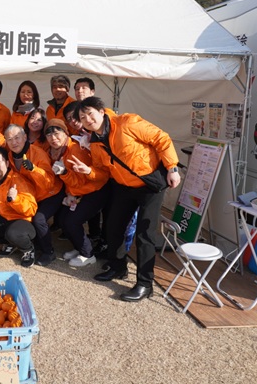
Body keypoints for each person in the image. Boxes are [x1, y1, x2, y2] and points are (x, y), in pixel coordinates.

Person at [71, 97, 181, 302]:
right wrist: (88, 171)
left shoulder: (127, 122)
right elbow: (102, 172)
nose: (88, 119)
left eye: (90, 113)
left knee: (144, 234)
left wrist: (172, 167)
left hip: (150, 184)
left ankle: (145, 284)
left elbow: (161, 138)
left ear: (101, 111)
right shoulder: (95, 143)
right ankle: (118, 267)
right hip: (124, 186)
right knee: (113, 227)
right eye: (82, 117)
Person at [44, 118, 110, 267]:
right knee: (63, 220)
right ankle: (80, 246)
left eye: (57, 133)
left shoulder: (75, 149)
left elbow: (80, 181)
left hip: (94, 191)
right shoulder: (55, 151)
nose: (53, 138)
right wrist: (69, 193)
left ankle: (88, 254)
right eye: (49, 135)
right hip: (78, 192)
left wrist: (64, 173)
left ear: (65, 133)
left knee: (71, 221)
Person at [4, 124, 64, 267]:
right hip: (32, 195)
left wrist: (33, 169)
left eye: (17, 137)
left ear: (25, 137)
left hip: (51, 193)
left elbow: (49, 182)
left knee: (39, 219)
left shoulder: (37, 153)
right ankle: (27, 244)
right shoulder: (9, 156)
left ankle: (49, 251)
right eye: (10, 139)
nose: (14, 142)